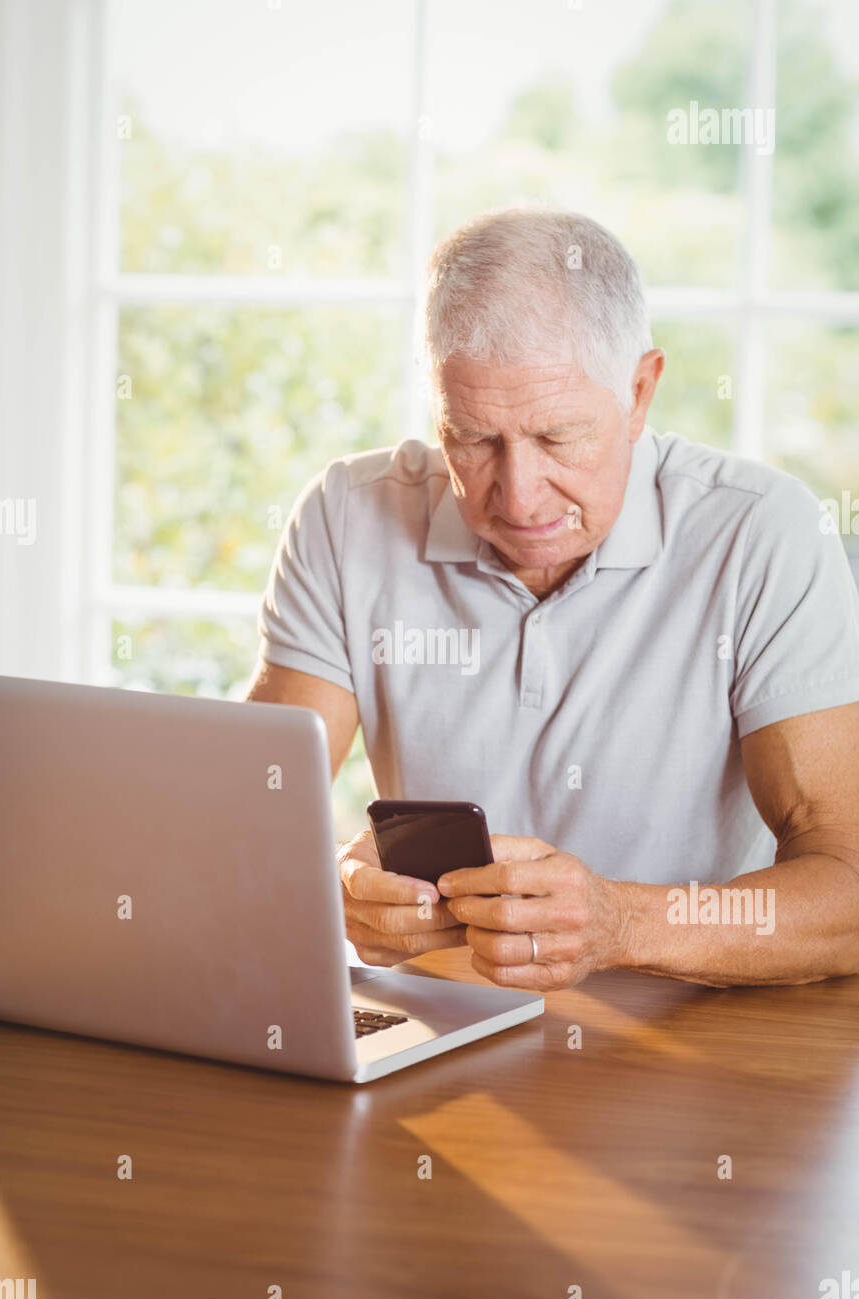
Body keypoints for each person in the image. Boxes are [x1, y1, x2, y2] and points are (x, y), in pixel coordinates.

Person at [247, 208, 859, 991]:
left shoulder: (761, 531)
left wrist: (621, 923)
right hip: (442, 1027)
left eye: (558, 438)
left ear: (640, 392)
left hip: (695, 1040)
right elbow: (252, 816)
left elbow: (845, 887)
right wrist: (337, 888)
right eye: (472, 438)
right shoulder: (346, 514)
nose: (520, 495)